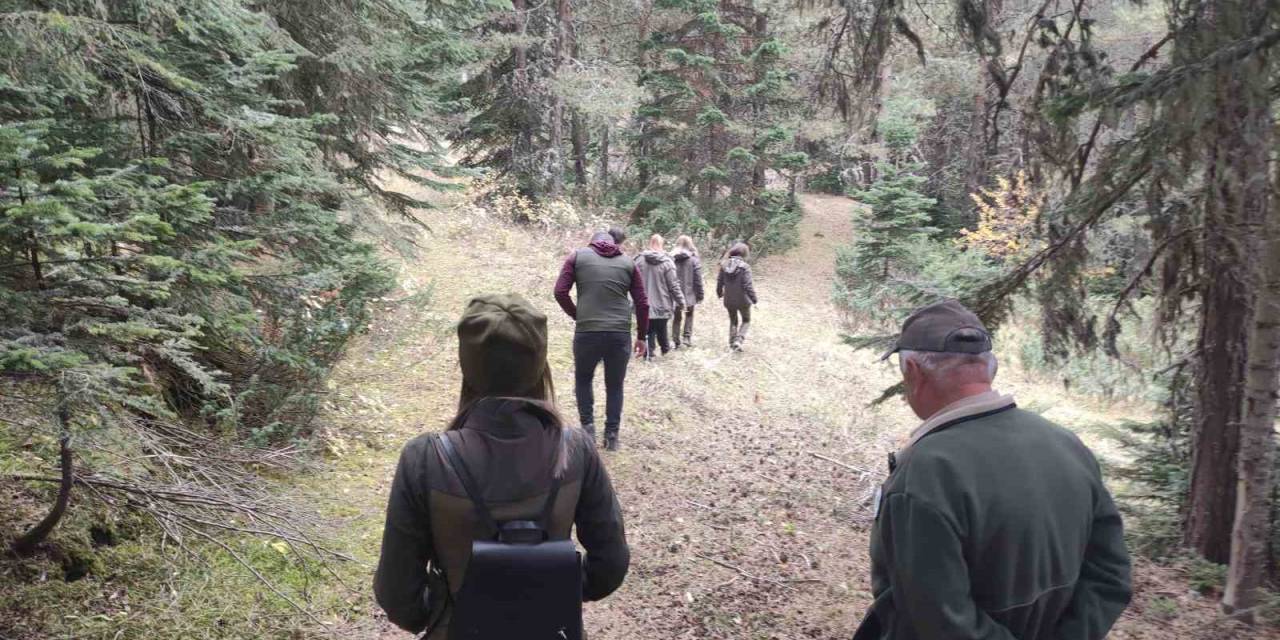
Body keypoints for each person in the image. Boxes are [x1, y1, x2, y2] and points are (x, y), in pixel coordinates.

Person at [852, 299, 1131, 640]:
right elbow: (1110, 575)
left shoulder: (925, 475)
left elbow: (941, 622)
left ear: (913, 372)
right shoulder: (1067, 445)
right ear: (989, 367)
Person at [373, 294, 629, 639]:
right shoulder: (575, 448)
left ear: (467, 366)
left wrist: (443, 610)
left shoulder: (425, 458)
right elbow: (610, 565)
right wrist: (550, 589)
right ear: (540, 365)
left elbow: (397, 593)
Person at [554, 230, 649, 451]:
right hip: (619, 334)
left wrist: (577, 314)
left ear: (592, 243)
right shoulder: (628, 263)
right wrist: (642, 336)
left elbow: (560, 291)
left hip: (587, 332)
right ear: (614, 244)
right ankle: (612, 436)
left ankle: (588, 430)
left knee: (583, 379)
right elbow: (643, 303)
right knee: (615, 385)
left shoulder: (577, 257)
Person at [634, 234, 686, 360]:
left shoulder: (639, 260)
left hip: (644, 302)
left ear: (650, 243)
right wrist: (681, 301)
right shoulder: (667, 262)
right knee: (660, 325)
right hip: (663, 302)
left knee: (648, 328)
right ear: (661, 244)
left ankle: (650, 352)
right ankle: (663, 349)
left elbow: (632, 281)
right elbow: (673, 285)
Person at [716, 242, 757, 351]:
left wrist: (719, 294)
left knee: (733, 321)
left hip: (728, 299)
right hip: (743, 300)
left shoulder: (724, 265)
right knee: (746, 320)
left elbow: (719, 282)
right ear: (744, 253)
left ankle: (732, 342)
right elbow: (748, 286)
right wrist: (754, 299)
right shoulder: (745, 267)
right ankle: (738, 340)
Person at [671, 235, 705, 348]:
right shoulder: (694, 260)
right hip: (690, 293)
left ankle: (675, 340)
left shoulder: (671, 258)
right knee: (689, 315)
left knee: (676, 317)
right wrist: (700, 295)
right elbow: (698, 279)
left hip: (675, 294)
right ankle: (686, 338)